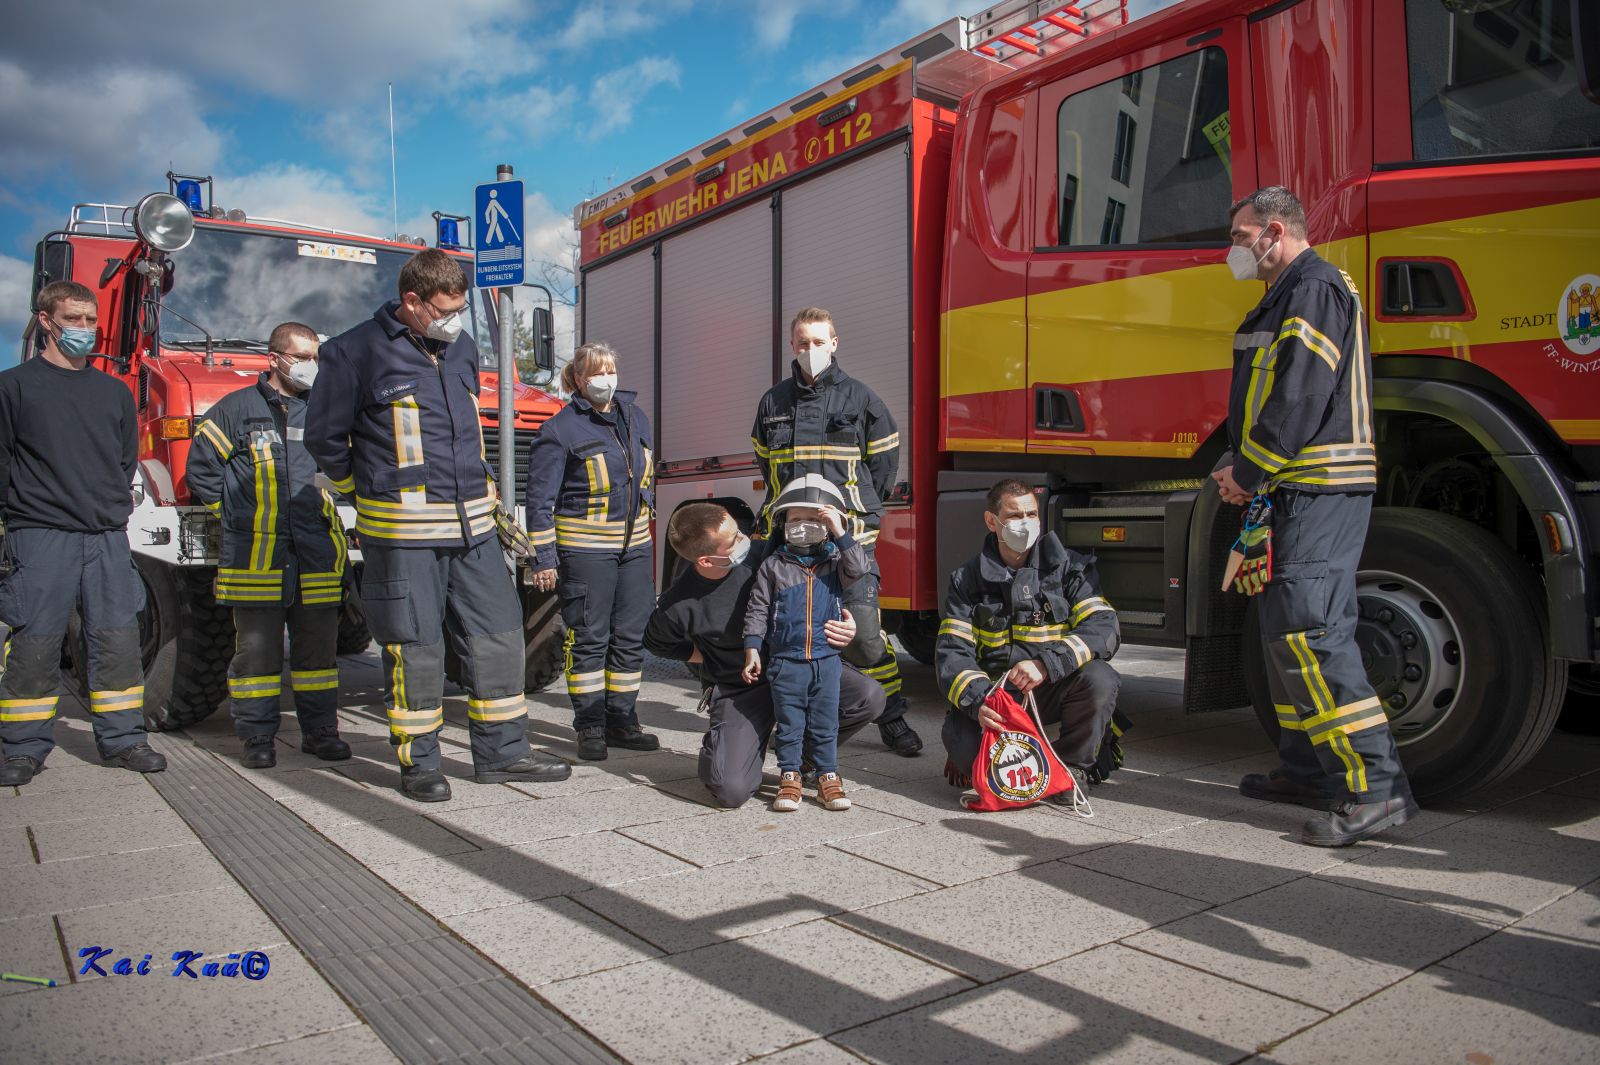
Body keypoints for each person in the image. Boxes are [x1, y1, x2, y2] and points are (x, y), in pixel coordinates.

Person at [305, 249, 569, 802]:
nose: (453, 320)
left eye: (460, 309)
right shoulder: (353, 352)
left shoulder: (463, 348)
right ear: (411, 302)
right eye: (444, 310)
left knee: (499, 639)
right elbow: (325, 440)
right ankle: (419, 764)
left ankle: (503, 753)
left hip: (473, 530)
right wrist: (366, 493)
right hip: (403, 536)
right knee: (415, 647)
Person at [1215, 185, 1417, 846]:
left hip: (1316, 488)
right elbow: (1265, 397)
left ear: (1276, 230)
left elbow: (1301, 394)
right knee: (1286, 634)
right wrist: (1236, 462)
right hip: (1292, 487)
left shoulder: (1315, 290)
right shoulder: (1285, 295)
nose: (1234, 253)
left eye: (1242, 239)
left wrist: (1247, 473)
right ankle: (1311, 768)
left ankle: (1375, 787)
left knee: (1311, 631)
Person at [0, 280, 166, 785]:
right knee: (35, 643)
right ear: (46, 321)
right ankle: (22, 747)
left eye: (91, 320)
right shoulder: (14, 387)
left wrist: (102, 509)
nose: (86, 330)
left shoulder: (114, 393)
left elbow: (123, 462)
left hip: (104, 539)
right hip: (39, 535)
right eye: (74, 319)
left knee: (116, 640)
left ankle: (124, 740)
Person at [750, 307, 922, 757]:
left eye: (819, 342)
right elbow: (765, 464)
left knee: (865, 634)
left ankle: (892, 715)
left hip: (848, 541)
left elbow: (883, 466)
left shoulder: (862, 399)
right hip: (790, 544)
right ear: (793, 346)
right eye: (803, 343)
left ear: (835, 343)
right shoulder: (773, 403)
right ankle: (780, 716)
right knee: (785, 628)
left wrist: (856, 515)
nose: (811, 351)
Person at [645, 501, 886, 808]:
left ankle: (805, 758)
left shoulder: (766, 553)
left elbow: (837, 573)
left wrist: (848, 620)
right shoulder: (678, 604)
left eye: (739, 530)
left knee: (868, 697)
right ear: (706, 560)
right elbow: (656, 643)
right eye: (733, 540)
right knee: (729, 790)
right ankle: (725, 745)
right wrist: (708, 657)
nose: (745, 539)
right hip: (742, 687)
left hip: (801, 665)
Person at [187, 322, 351, 769]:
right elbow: (202, 470)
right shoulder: (235, 410)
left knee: (317, 654)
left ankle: (321, 733)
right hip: (255, 560)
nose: (311, 366)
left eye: (316, 357)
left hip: (317, 555)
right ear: (275, 358)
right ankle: (257, 738)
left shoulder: (325, 412)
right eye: (302, 357)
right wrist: (239, 516)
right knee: (256, 655)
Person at [935, 479, 1124, 795]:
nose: (1025, 523)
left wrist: (1046, 663)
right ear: (991, 521)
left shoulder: (1069, 568)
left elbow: (1104, 627)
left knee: (1100, 678)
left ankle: (1069, 769)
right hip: (998, 696)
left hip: (1051, 686)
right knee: (967, 755)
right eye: (1013, 516)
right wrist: (979, 701)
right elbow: (951, 653)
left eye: (1031, 514)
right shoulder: (966, 579)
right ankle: (1027, 757)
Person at [524, 342, 658, 762]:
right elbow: (539, 501)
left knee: (630, 638)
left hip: (635, 548)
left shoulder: (635, 418)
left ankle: (623, 720)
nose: (606, 379)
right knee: (589, 639)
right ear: (578, 380)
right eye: (596, 373)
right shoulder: (559, 431)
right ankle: (590, 726)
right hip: (585, 552)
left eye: (610, 370)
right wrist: (544, 559)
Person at [742, 476, 867, 812]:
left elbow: (860, 567)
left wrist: (840, 532)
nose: (803, 526)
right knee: (790, 722)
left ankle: (828, 776)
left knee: (826, 722)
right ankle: (789, 776)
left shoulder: (836, 563)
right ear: (782, 524)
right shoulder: (773, 566)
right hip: (786, 661)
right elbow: (757, 609)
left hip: (827, 660)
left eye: (814, 520)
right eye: (795, 520)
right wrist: (753, 646)